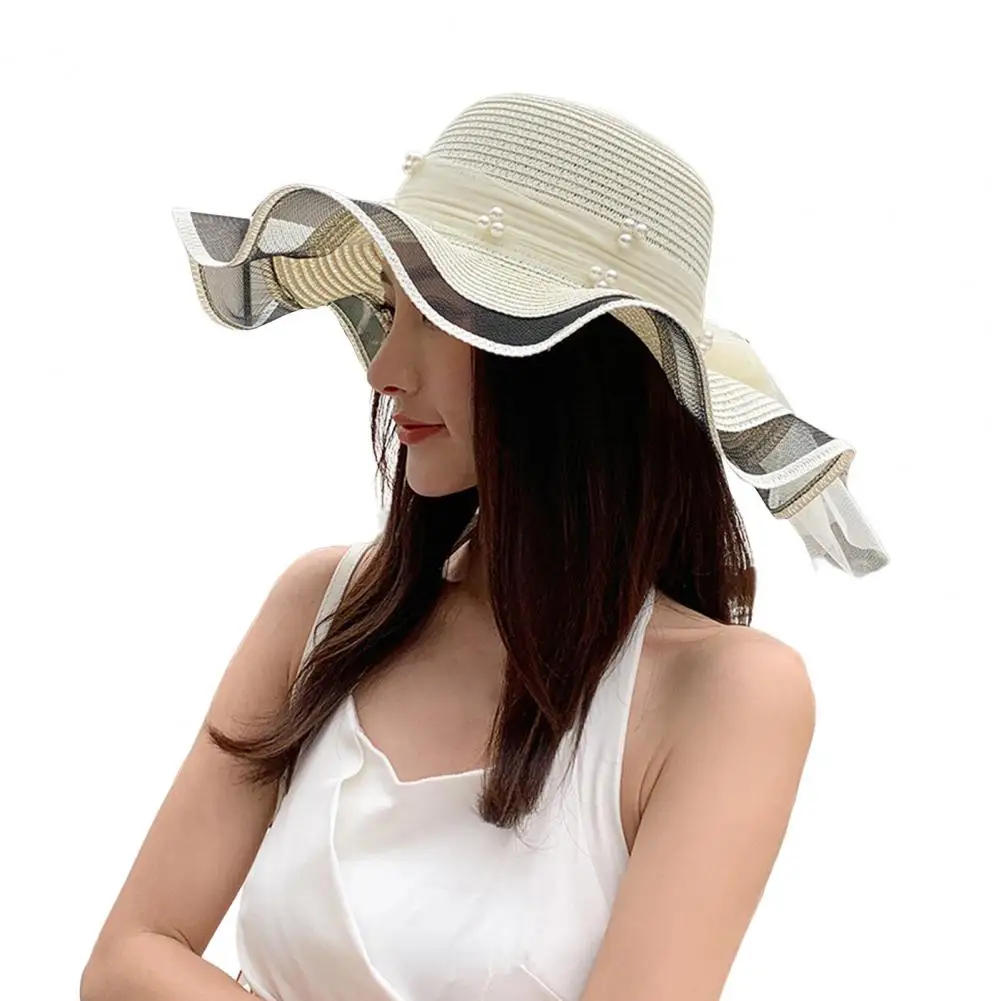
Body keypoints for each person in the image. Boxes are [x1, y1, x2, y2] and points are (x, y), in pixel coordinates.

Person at [81, 93, 889, 1001]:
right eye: (390, 309)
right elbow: (126, 959)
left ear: (569, 365)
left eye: (434, 318)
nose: (384, 370)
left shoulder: (727, 694)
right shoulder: (324, 606)